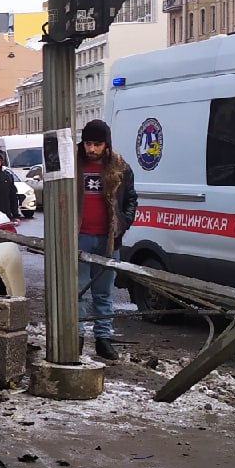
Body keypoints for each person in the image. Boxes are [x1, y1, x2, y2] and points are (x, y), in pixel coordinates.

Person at [76, 119, 138, 362]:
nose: (92, 149)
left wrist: (122, 225)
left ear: (106, 144)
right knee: (78, 292)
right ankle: (77, 337)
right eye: (88, 143)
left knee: (104, 293)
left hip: (108, 240)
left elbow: (131, 199)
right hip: (78, 238)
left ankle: (103, 339)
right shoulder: (74, 166)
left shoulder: (119, 167)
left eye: (97, 144)